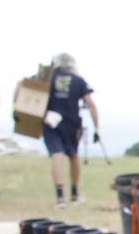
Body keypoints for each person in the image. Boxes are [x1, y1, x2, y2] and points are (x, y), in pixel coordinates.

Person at [41, 53, 100, 205]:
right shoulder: (78, 80)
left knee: (57, 154)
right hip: (72, 124)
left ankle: (60, 197)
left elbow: (25, 86)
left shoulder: (47, 78)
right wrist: (97, 128)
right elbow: (91, 104)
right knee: (73, 156)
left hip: (50, 123)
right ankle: (74, 194)